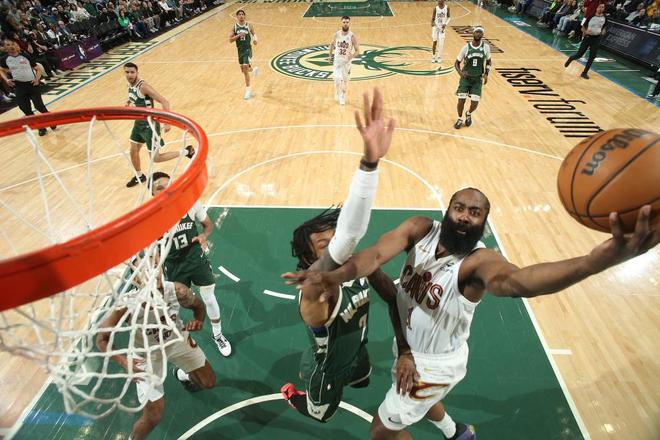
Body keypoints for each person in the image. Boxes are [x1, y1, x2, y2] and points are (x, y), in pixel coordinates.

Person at [285, 189, 659, 440]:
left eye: (474, 212)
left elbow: (519, 281)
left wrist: (592, 263)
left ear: (483, 223)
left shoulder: (477, 263)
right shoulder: (420, 230)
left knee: (382, 429)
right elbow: (377, 259)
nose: (465, 216)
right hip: (415, 352)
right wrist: (339, 275)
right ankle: (456, 432)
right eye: (459, 208)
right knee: (420, 402)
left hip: (434, 365)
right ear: (447, 211)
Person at [280, 89, 413, 423]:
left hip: (358, 351)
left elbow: (390, 294)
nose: (334, 244)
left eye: (333, 237)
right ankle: (296, 397)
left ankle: (354, 373)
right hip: (328, 368)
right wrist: (370, 165)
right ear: (310, 258)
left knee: (362, 378)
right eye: (323, 244)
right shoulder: (315, 289)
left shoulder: (355, 266)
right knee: (320, 414)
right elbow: (348, 235)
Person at [96, 266, 216, 440]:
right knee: (153, 417)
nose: (152, 274)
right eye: (144, 271)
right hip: (146, 355)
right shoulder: (126, 304)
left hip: (177, 341)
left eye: (155, 268)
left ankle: (182, 374)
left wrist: (198, 320)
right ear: (135, 279)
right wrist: (123, 362)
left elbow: (198, 306)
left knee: (208, 383)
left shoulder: (178, 291)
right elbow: (101, 339)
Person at [150, 171, 232, 357]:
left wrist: (204, 236)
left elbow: (208, 225)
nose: (166, 189)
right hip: (174, 264)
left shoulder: (190, 202)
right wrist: (157, 271)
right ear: (153, 194)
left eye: (168, 184)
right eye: (160, 188)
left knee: (209, 297)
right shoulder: (151, 216)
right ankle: (183, 343)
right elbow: (153, 248)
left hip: (195, 258)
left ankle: (218, 334)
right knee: (176, 305)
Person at [123, 62, 195, 188]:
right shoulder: (129, 84)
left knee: (155, 158)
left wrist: (167, 122)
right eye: (127, 72)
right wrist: (129, 102)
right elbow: (133, 96)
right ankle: (139, 176)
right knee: (133, 150)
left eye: (132, 72)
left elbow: (165, 101)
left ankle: (186, 151)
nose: (129, 75)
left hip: (149, 126)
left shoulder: (143, 87)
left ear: (137, 73)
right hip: (139, 123)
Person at [0, 38, 55, 136]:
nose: (11, 46)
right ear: (4, 48)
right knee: (25, 109)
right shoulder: (4, 59)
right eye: (7, 45)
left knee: (39, 106)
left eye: (12, 44)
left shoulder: (25, 56)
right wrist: (6, 79)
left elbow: (38, 69)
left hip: (32, 85)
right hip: (19, 86)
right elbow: (1, 70)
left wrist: (37, 79)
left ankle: (51, 120)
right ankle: (40, 127)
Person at [453, 26, 491, 130]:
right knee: (461, 101)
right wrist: (460, 72)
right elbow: (456, 63)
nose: (478, 34)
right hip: (465, 79)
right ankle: (460, 118)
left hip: (477, 79)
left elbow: (488, 61)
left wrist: (486, 73)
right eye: (477, 32)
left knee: (475, 103)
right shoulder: (466, 47)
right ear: (473, 33)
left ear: (482, 35)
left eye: (480, 32)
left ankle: (468, 114)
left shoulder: (486, 47)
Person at [564, 3, 607, 79]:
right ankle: (571, 58)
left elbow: (604, 27)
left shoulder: (605, 18)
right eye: (600, 7)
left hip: (596, 39)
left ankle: (584, 73)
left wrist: (603, 31)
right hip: (587, 38)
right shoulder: (591, 16)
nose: (601, 8)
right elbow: (582, 28)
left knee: (592, 56)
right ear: (596, 8)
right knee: (579, 55)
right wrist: (586, 32)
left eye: (602, 7)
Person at [328, 16, 359, 106]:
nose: (345, 24)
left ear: (349, 23)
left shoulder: (352, 36)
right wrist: (330, 55)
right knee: (337, 79)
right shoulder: (336, 34)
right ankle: (339, 94)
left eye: (347, 22)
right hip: (337, 61)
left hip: (346, 62)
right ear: (341, 23)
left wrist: (352, 56)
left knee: (345, 82)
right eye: (344, 22)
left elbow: (357, 51)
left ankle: (342, 94)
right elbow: (331, 44)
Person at [228, 9, 258, 100]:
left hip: (247, 49)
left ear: (244, 16)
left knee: (245, 67)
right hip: (240, 50)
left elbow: (254, 34)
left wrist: (255, 40)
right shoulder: (234, 27)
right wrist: (239, 35)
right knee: (244, 71)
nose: (241, 16)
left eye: (242, 14)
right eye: (239, 14)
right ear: (237, 16)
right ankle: (253, 70)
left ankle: (248, 90)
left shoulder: (249, 25)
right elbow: (230, 40)